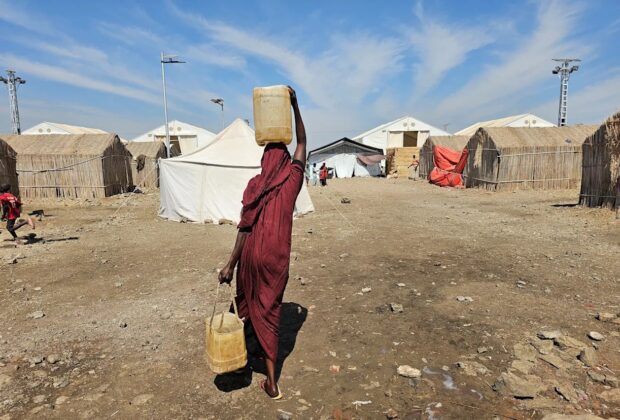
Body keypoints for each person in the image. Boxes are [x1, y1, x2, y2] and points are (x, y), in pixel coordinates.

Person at [218, 86, 306, 400]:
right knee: (270, 313)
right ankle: (271, 383)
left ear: (263, 161)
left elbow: (243, 229)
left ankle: (238, 357)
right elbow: (302, 142)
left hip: (250, 258)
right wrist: (295, 106)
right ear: (284, 161)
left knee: (244, 304)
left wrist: (230, 264)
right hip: (274, 260)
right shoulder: (292, 181)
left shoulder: (254, 185)